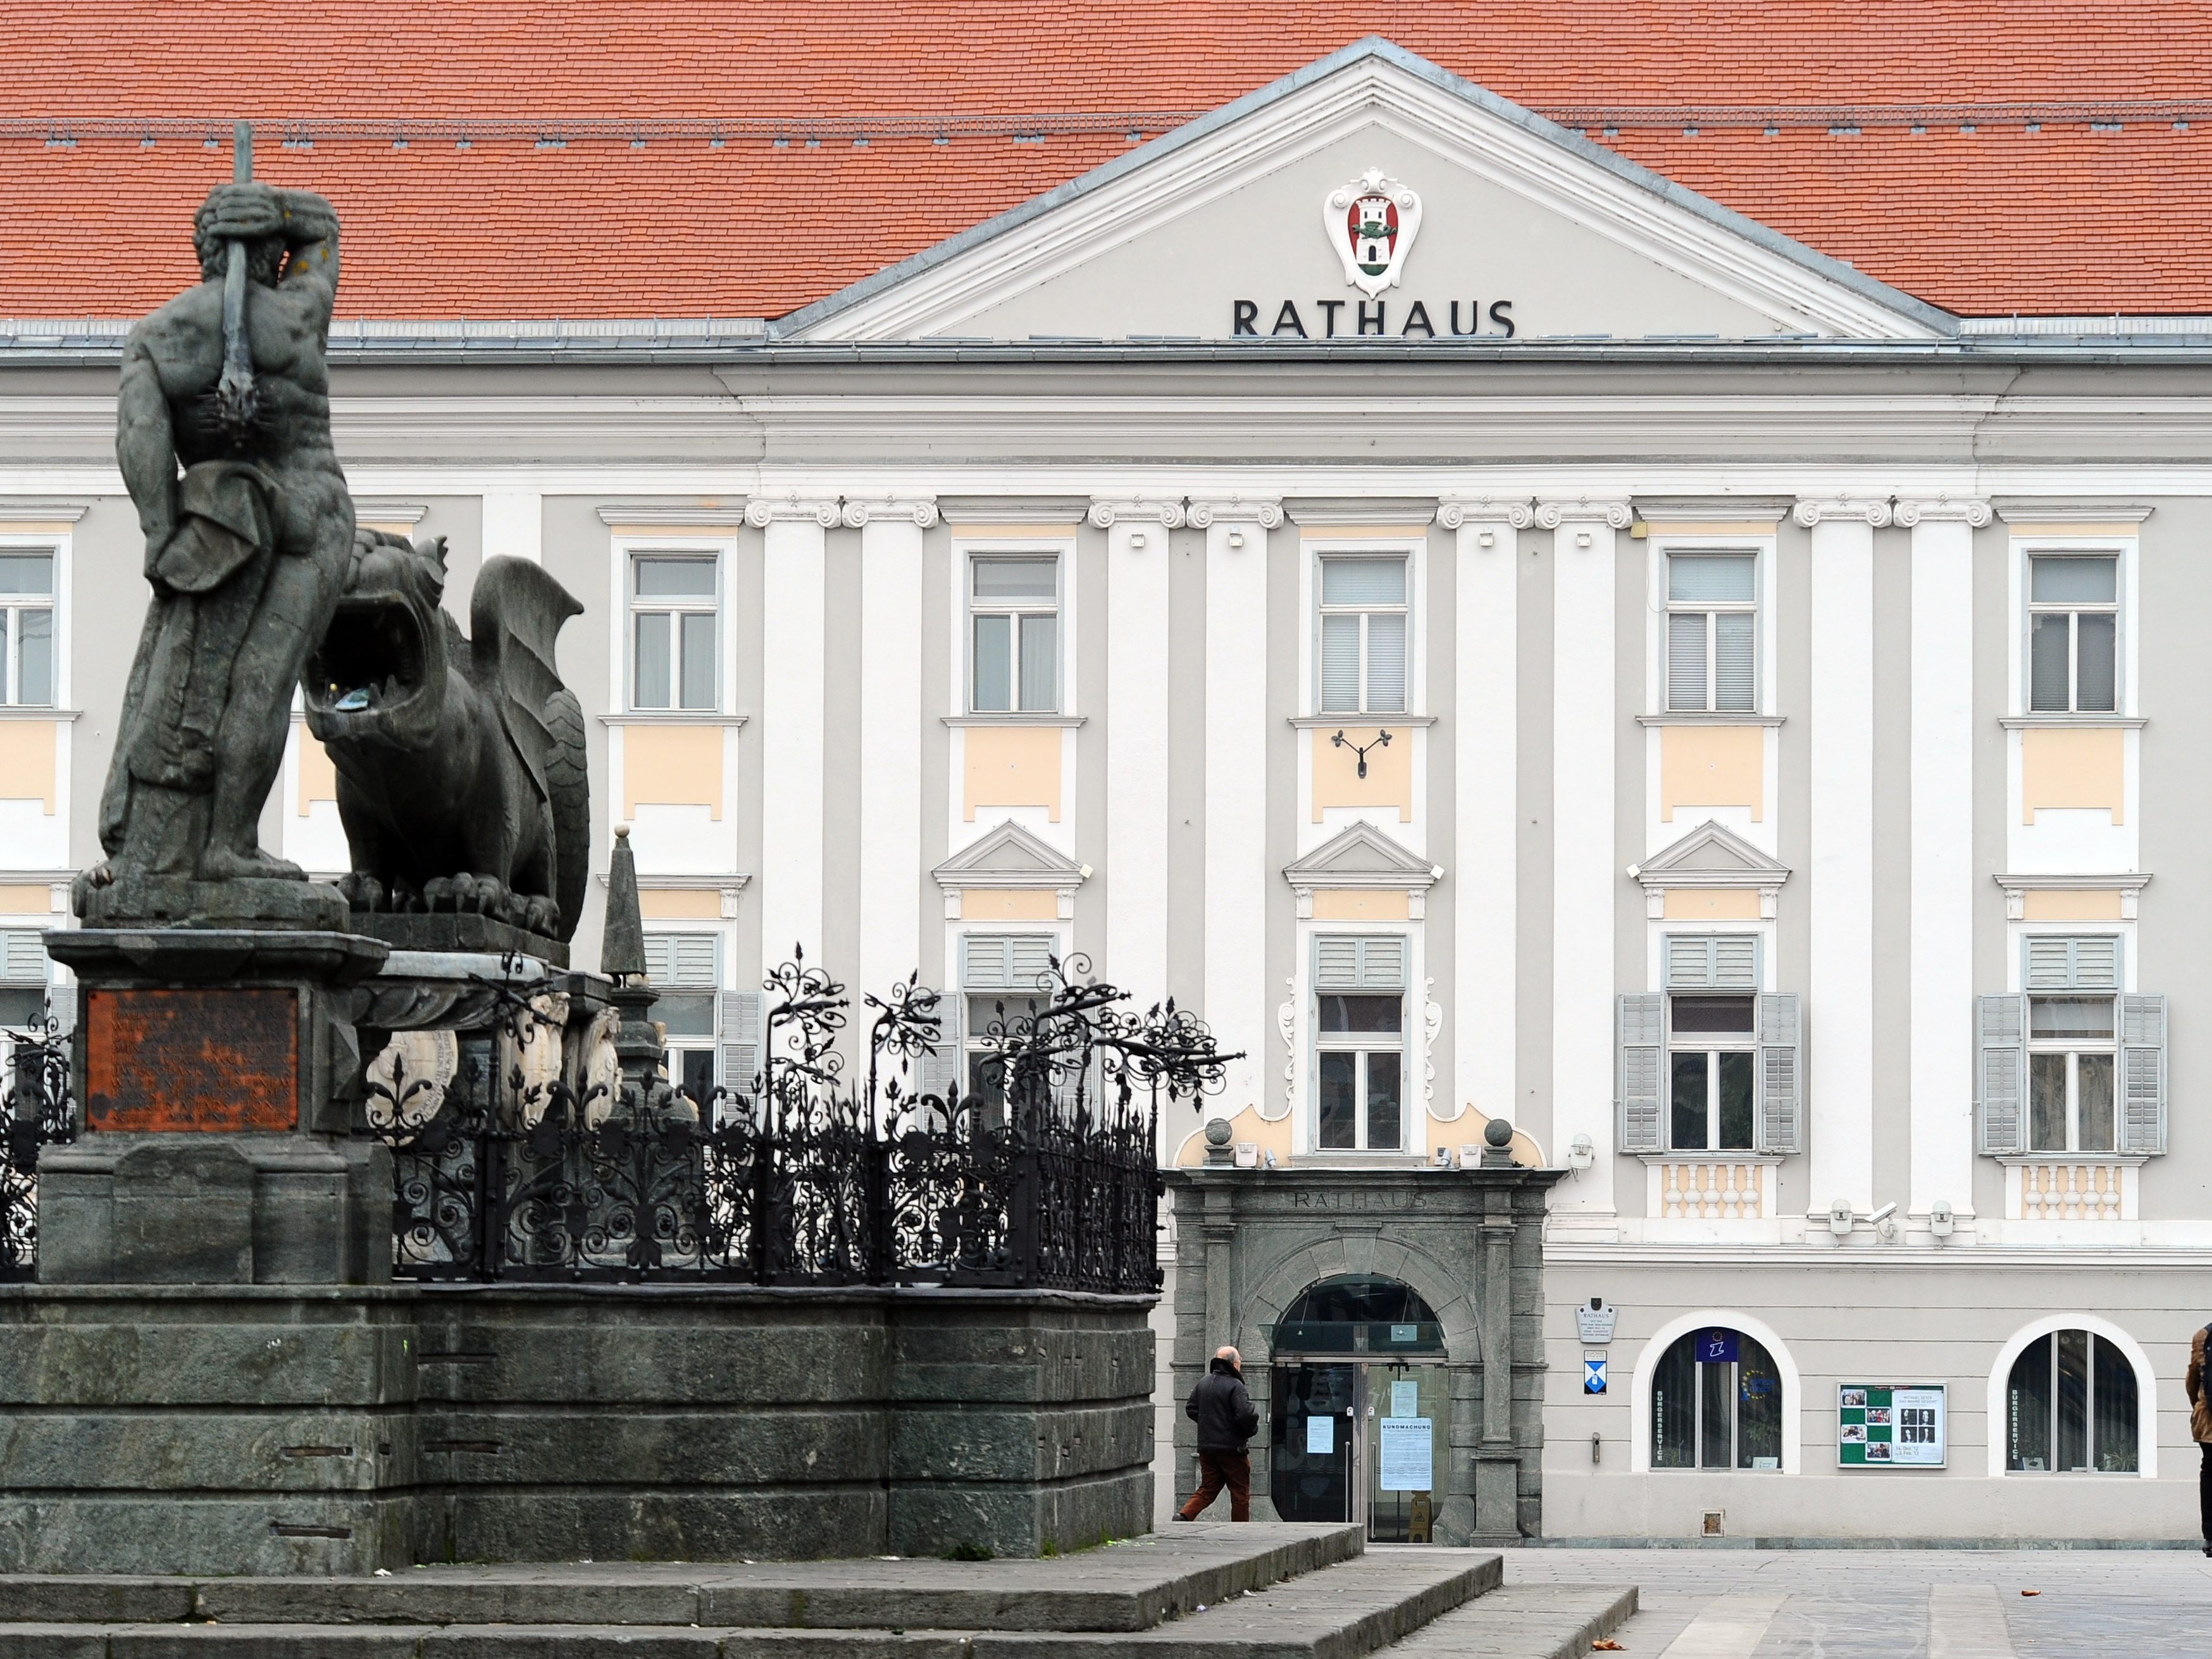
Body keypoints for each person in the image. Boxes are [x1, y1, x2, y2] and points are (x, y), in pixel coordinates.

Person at [86, 178, 354, 900]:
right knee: (262, 684)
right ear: (271, 254)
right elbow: (324, 229)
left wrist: (161, 533)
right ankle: (230, 845)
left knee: (206, 682)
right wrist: (285, 212)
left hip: (220, 527)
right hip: (312, 511)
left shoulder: (157, 335)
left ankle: (198, 845)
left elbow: (140, 439)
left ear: (201, 250)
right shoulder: (299, 314)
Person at [1177, 1344, 1259, 1522]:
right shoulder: (1236, 1386)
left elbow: (1191, 1409)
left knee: (1208, 1488)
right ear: (1235, 1365)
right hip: (1232, 1449)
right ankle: (1240, 1529)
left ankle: (1183, 1516)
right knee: (1240, 1493)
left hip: (1207, 1448)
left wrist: (1209, 1424)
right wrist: (1248, 1430)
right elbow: (1245, 1415)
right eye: (1240, 1362)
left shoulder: (1204, 1383)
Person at [2188, 1321, 2212, 1555]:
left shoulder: (2204, 1335)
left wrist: (2198, 1406)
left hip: (2209, 1419)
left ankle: (2211, 1537)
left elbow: (2193, 1377)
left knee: (2210, 1472)